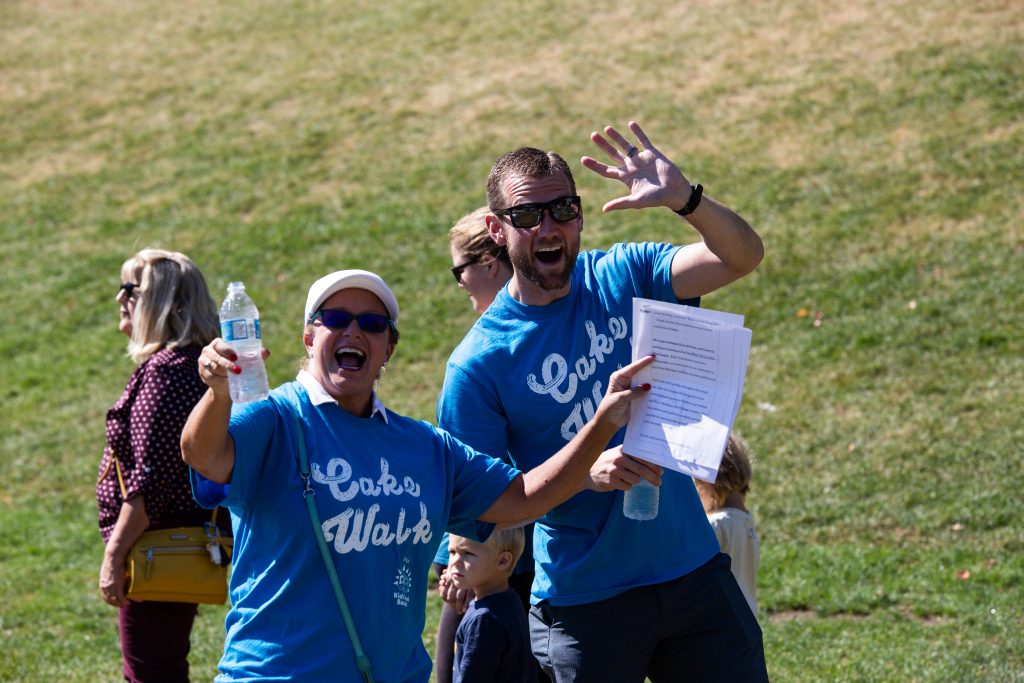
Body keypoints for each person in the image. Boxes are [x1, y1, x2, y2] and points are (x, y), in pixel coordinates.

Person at [180, 268, 653, 682]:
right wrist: (219, 394)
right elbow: (203, 455)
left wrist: (601, 424)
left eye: (372, 324)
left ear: (387, 348)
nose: (354, 331)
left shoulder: (424, 447)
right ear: (309, 337)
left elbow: (524, 496)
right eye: (336, 320)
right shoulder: (276, 418)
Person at [437, 121, 768, 682]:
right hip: (585, 602)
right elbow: (498, 506)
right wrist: (588, 469)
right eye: (527, 215)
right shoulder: (477, 365)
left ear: (581, 213)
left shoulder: (625, 274)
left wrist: (685, 199)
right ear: (497, 228)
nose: (549, 227)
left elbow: (741, 257)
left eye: (563, 209)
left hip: (691, 571)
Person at [95, 248, 223, 683]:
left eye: (128, 289)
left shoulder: (164, 372)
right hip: (186, 542)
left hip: (155, 548)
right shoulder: (197, 367)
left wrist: (114, 555)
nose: (119, 299)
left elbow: (149, 482)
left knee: (150, 672)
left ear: (158, 298)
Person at [434, 206, 543, 683]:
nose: (459, 283)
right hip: (507, 549)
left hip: (511, 551)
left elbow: (468, 467)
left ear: (491, 264)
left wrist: (454, 558)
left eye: (460, 270)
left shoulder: (487, 352)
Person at [447, 528, 537, 683]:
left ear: (503, 561)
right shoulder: (510, 599)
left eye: (468, 553)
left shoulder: (484, 620)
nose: (455, 562)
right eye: (452, 552)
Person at [693, 433, 760, 617]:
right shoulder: (746, 521)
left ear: (707, 480)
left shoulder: (715, 525)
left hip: (717, 625)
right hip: (746, 623)